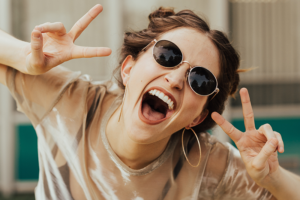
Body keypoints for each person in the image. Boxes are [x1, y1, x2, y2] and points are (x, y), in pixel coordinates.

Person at [0, 4, 299, 200]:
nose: (176, 79)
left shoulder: (207, 163)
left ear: (196, 118)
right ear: (129, 69)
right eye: (168, 55)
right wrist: (24, 57)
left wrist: (273, 178)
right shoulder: (68, 101)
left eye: (200, 80)